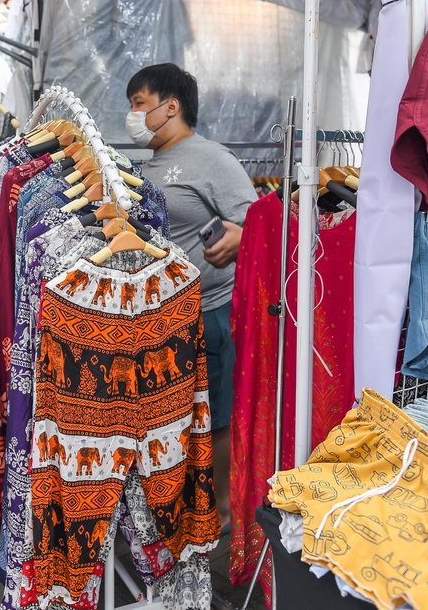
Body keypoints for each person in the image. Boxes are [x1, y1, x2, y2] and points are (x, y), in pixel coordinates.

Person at [126, 63, 257, 530]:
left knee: (217, 415)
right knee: (180, 416)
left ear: (171, 106)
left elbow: (261, 222)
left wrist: (240, 235)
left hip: (211, 311)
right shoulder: (148, 165)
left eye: (139, 104)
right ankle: (186, 502)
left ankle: (222, 512)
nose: (133, 114)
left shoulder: (212, 159)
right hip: (164, 316)